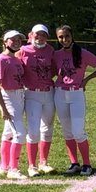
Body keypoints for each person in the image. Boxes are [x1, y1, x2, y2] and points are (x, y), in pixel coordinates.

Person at [52, 25, 96, 176]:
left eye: (67, 36)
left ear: (72, 36)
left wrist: (86, 80)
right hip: (60, 94)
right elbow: (51, 72)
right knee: (67, 131)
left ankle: (87, 164)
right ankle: (74, 163)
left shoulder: (82, 53)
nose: (64, 39)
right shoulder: (56, 55)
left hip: (76, 94)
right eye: (61, 37)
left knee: (78, 131)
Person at [18, 23, 57, 176]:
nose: (40, 37)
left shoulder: (50, 50)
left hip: (48, 92)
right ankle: (32, 166)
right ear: (31, 35)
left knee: (47, 128)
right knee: (34, 131)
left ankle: (43, 162)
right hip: (32, 93)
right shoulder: (23, 50)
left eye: (43, 35)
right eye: (37, 34)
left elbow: (54, 69)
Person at [0, 30, 27, 179]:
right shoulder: (0, 60)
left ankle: (4, 166)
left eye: (19, 39)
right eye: (13, 39)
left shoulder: (16, 59)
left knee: (8, 133)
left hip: (19, 95)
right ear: (5, 42)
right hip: (9, 96)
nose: (17, 42)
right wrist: (3, 108)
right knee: (19, 134)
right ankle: (13, 169)